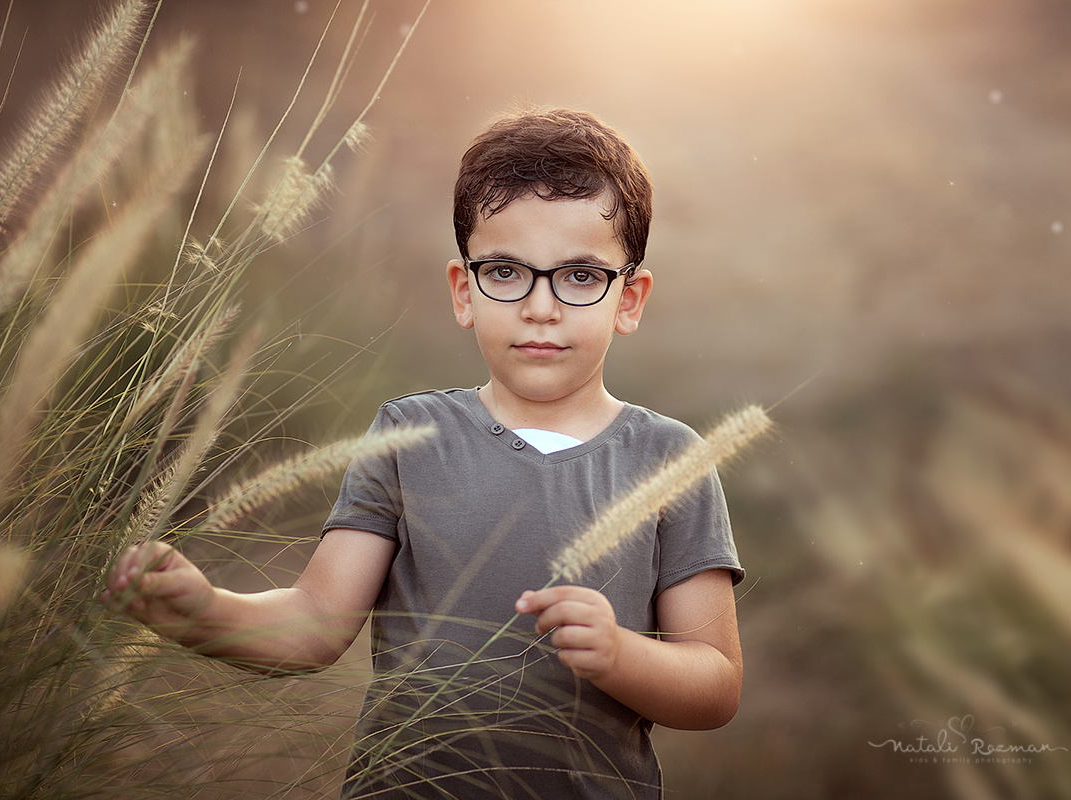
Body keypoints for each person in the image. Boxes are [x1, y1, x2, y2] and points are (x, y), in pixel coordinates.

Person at [104, 107, 744, 799]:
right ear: (464, 292)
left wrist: (621, 654)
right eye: (506, 271)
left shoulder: (669, 459)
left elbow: (715, 684)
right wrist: (206, 611)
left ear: (631, 298)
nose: (540, 307)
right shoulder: (409, 435)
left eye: (581, 277)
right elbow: (316, 624)